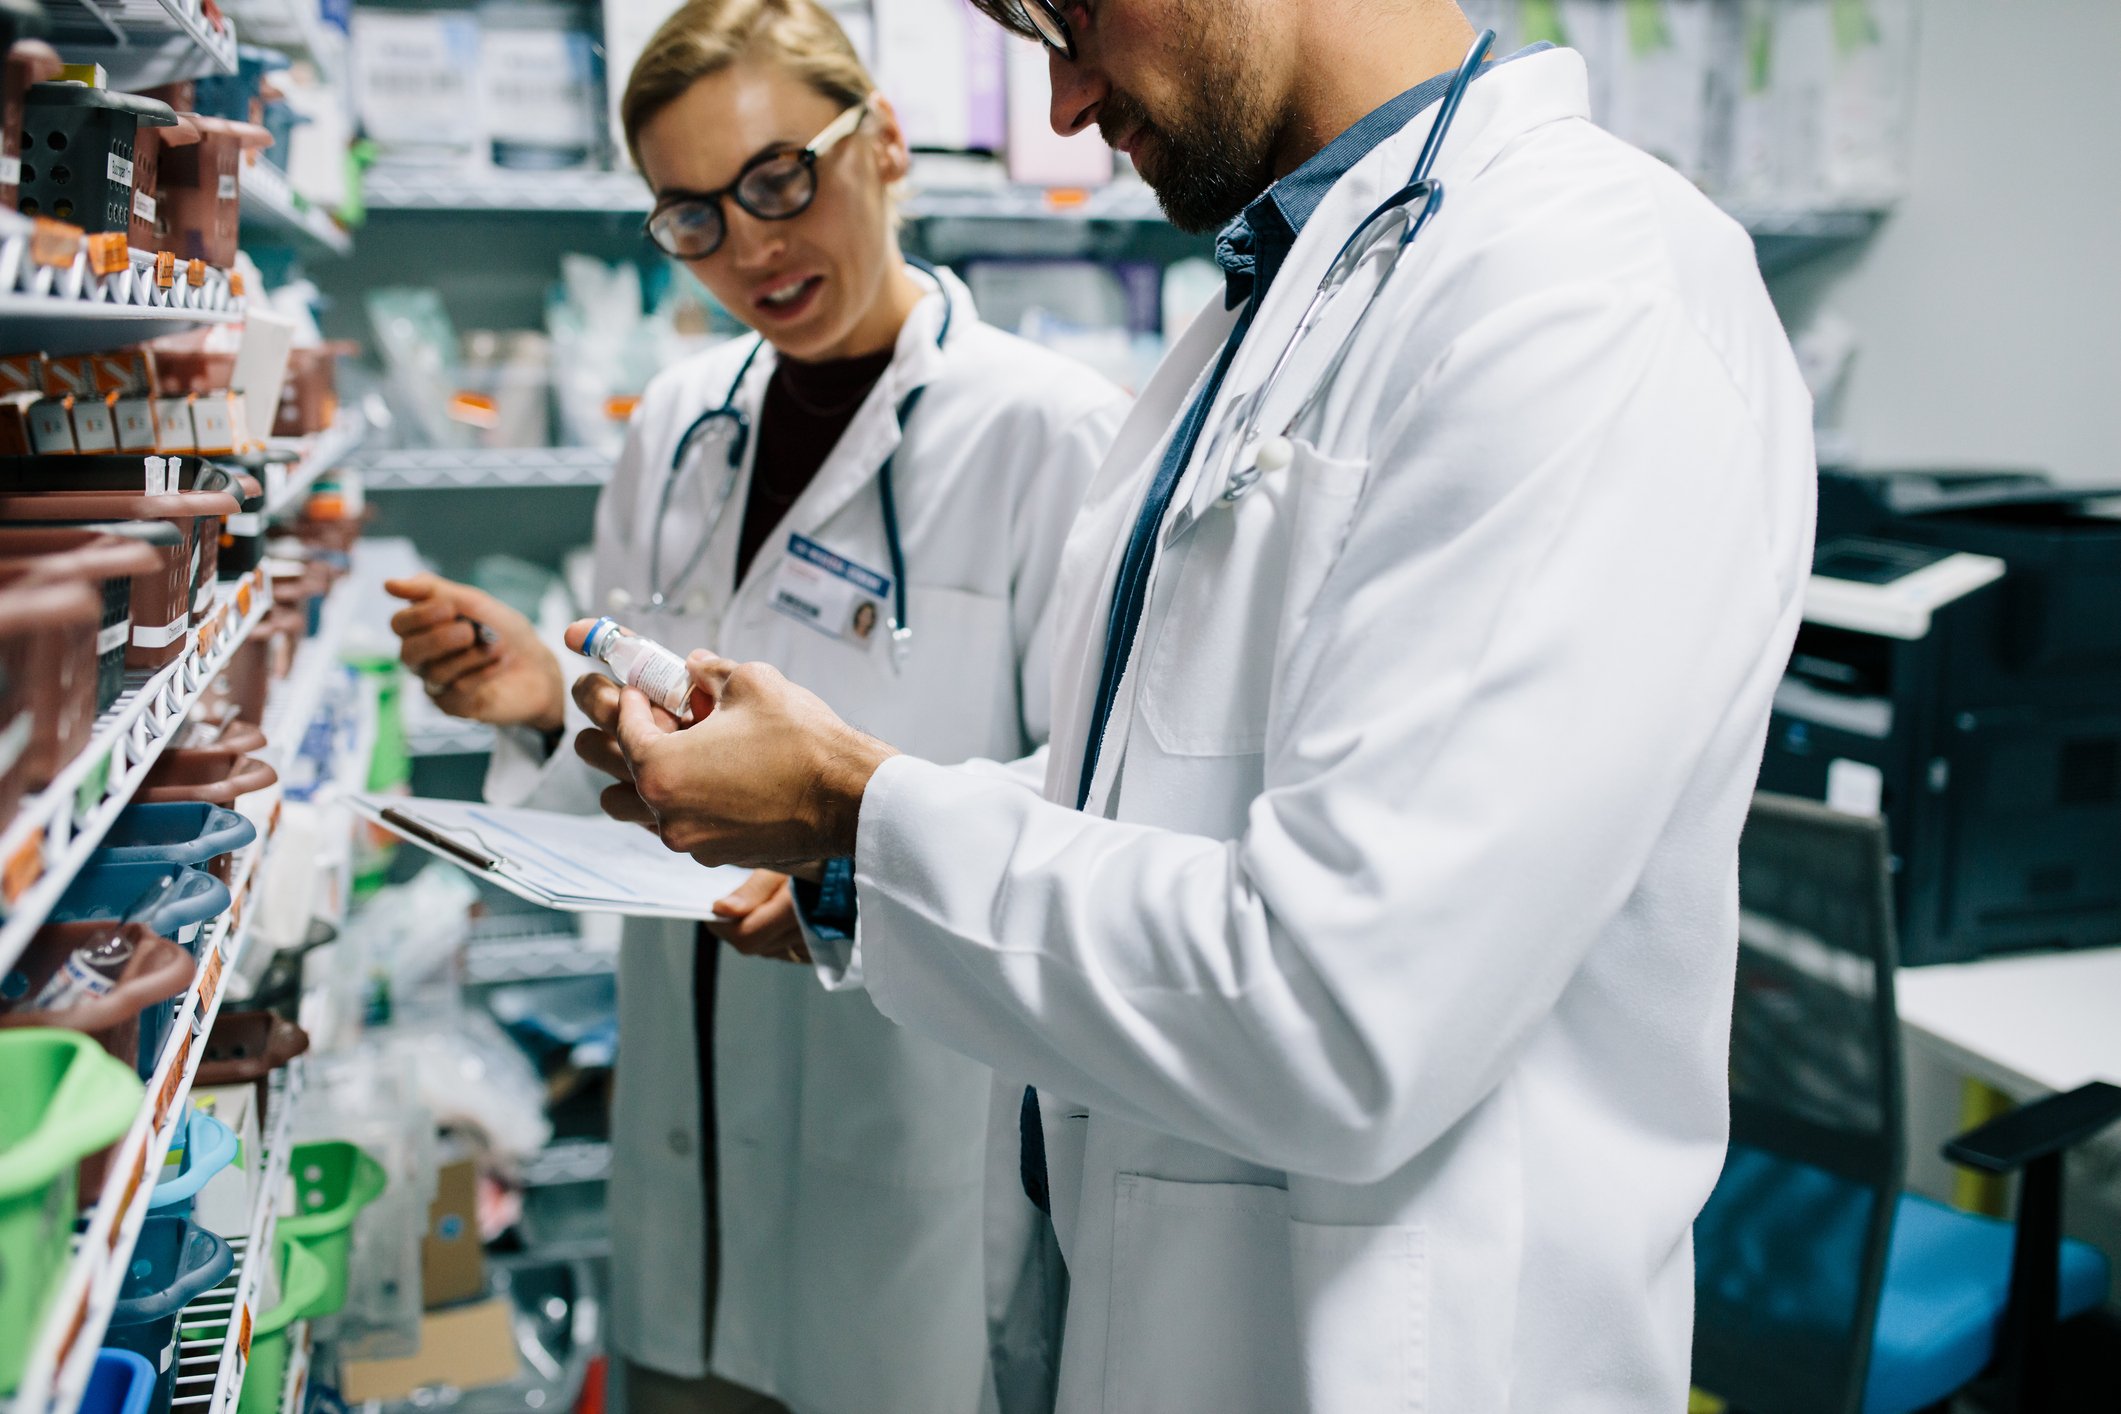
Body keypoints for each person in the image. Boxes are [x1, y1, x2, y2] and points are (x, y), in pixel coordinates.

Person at [570, 0, 1816, 1407]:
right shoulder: (1291, 297)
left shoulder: (1586, 294)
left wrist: (857, 805)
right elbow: (1153, 792)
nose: (1059, 102)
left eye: (1062, 13)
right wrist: (850, 852)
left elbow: (1347, 1009)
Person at [385, 3, 1128, 1411]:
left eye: (779, 180)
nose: (749, 248)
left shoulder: (1054, 434)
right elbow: (649, 731)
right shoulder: (673, 425)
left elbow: (1093, 801)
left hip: (905, 1164)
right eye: (691, 216)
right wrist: (550, 699)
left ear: (887, 141)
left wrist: (858, 863)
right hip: (686, 1165)